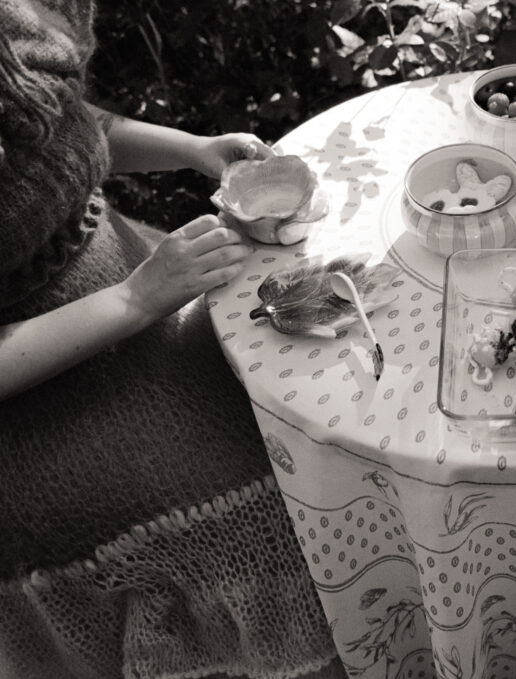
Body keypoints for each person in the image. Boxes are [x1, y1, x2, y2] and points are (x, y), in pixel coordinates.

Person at [0, 1, 340, 677]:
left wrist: (192, 149)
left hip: (130, 286)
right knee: (264, 499)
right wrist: (136, 299)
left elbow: (60, 121)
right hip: (36, 401)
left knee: (317, 380)